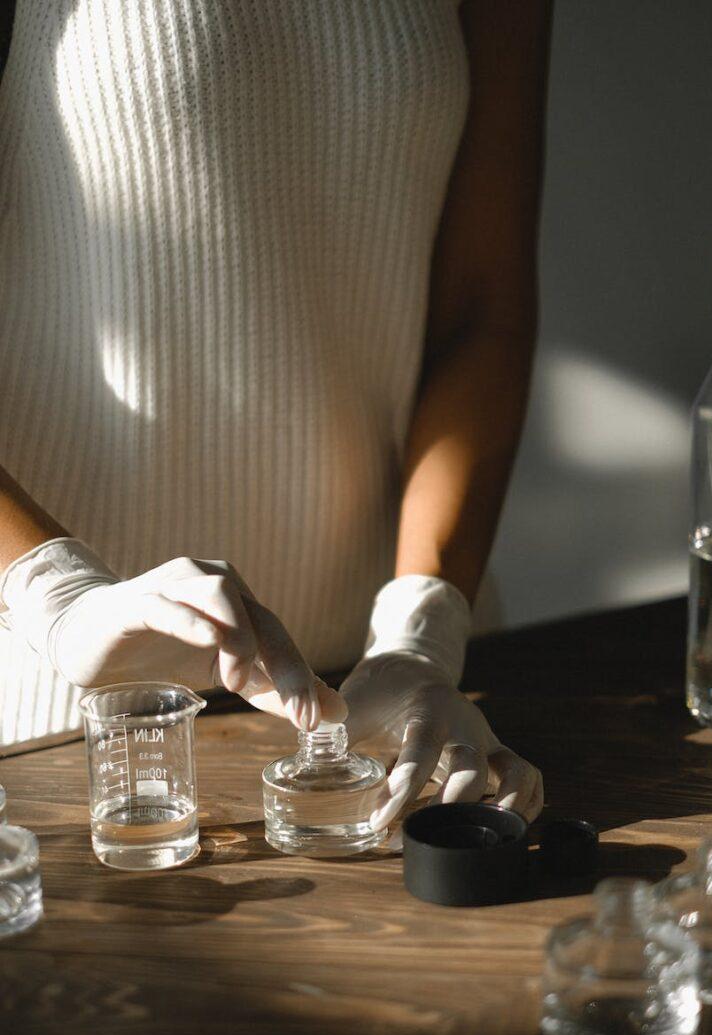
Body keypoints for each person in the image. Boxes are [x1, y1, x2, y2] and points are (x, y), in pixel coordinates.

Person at [0, 0, 547, 836]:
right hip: (66, 726)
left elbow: (482, 310)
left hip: (407, 707)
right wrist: (59, 597)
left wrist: (424, 633)